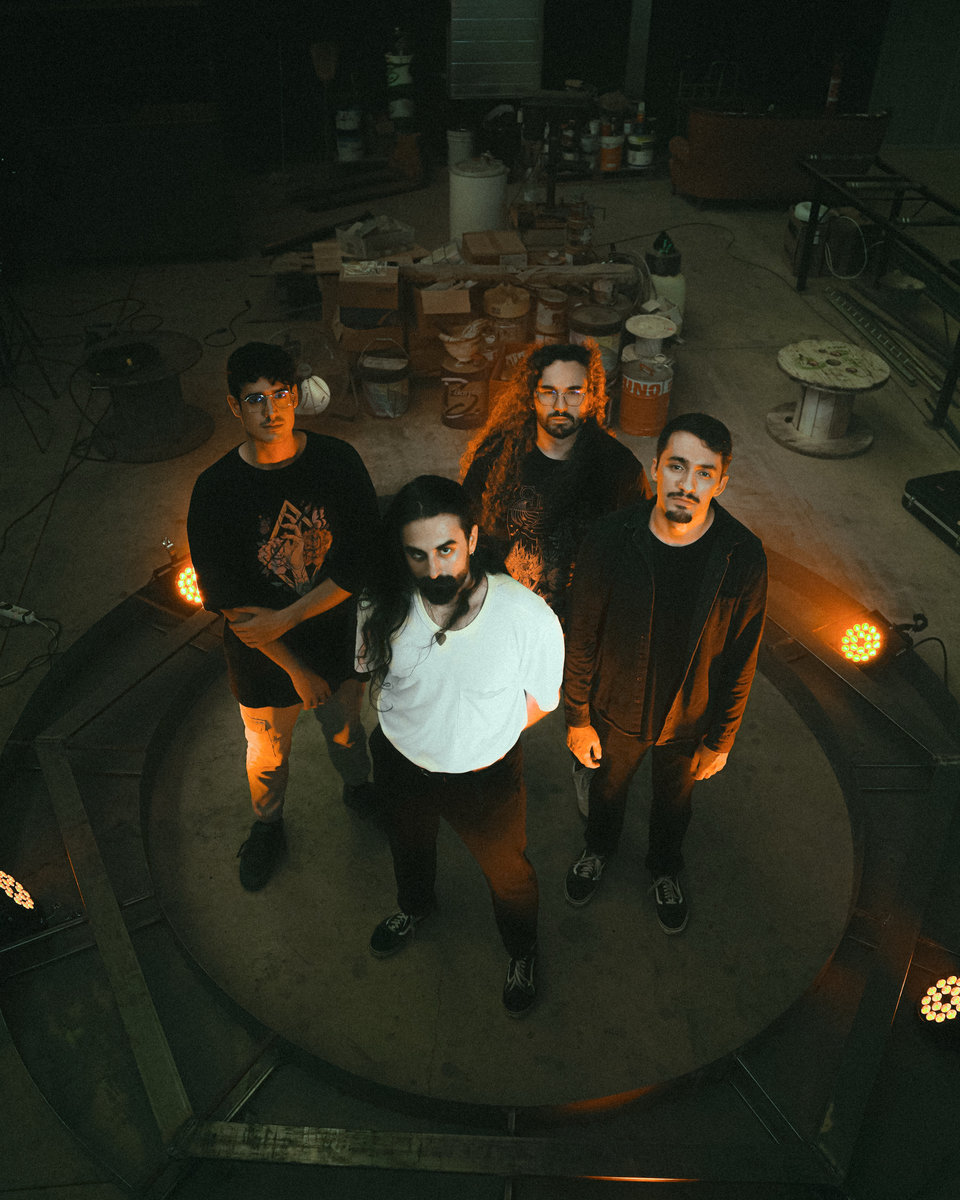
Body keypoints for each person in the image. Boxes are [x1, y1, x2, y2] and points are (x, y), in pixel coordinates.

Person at [357, 475, 564, 1017]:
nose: (434, 570)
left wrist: (481, 735)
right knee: (408, 847)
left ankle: (522, 952)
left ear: (472, 538)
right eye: (417, 555)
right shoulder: (381, 602)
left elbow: (543, 700)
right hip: (400, 762)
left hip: (485, 779)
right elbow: (374, 671)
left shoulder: (526, 616)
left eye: (446, 549)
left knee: (509, 877)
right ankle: (415, 908)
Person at [562, 412, 767, 933]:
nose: (687, 484)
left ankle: (664, 867)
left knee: (675, 803)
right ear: (655, 468)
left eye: (704, 472)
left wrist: (721, 739)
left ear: (721, 483)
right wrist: (577, 717)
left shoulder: (743, 556)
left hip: (689, 718)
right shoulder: (610, 538)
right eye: (677, 466)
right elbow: (582, 635)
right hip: (615, 707)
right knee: (607, 791)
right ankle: (598, 850)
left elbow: (743, 657)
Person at [187, 342, 381, 892]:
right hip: (264, 659)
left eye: (280, 394)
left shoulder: (338, 462)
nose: (271, 410)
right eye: (255, 399)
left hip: (336, 640)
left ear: (295, 396)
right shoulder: (216, 490)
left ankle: (359, 791)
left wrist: (289, 616)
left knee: (347, 733)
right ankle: (267, 824)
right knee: (268, 754)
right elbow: (230, 601)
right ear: (234, 407)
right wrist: (296, 669)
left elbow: (360, 560)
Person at [459, 340, 650, 621]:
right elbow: (463, 535)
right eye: (549, 392)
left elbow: (637, 559)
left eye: (573, 393)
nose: (560, 406)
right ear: (532, 396)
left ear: (591, 396)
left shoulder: (620, 469)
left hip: (580, 623)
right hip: (506, 613)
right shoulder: (496, 456)